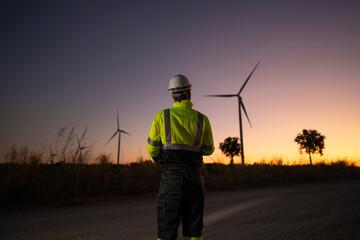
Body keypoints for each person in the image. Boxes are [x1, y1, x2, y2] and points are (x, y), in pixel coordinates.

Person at [147, 74, 214, 240]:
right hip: (194, 178)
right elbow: (208, 150)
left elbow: (152, 149)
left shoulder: (162, 117)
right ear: (189, 92)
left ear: (172, 95)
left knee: (167, 231)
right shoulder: (202, 119)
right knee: (193, 230)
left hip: (171, 178)